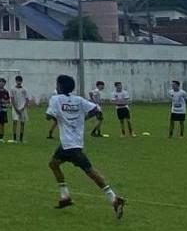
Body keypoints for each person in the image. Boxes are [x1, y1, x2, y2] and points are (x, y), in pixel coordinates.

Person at [46, 74, 126, 218]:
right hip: (72, 143)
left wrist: (62, 116)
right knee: (53, 164)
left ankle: (114, 198)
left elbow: (48, 116)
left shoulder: (56, 99)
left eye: (57, 84)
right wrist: (80, 118)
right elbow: (96, 111)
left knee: (90, 171)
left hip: (69, 145)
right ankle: (65, 196)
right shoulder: (79, 100)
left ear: (60, 86)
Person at [9, 75, 30, 143]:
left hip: (22, 108)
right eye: (17, 81)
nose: (18, 82)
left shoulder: (24, 89)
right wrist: (15, 108)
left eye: (20, 81)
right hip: (15, 108)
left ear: (21, 81)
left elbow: (27, 99)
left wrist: (23, 108)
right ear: (15, 81)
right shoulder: (12, 89)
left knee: (22, 123)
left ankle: (21, 139)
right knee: (15, 122)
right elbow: (12, 99)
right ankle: (14, 138)